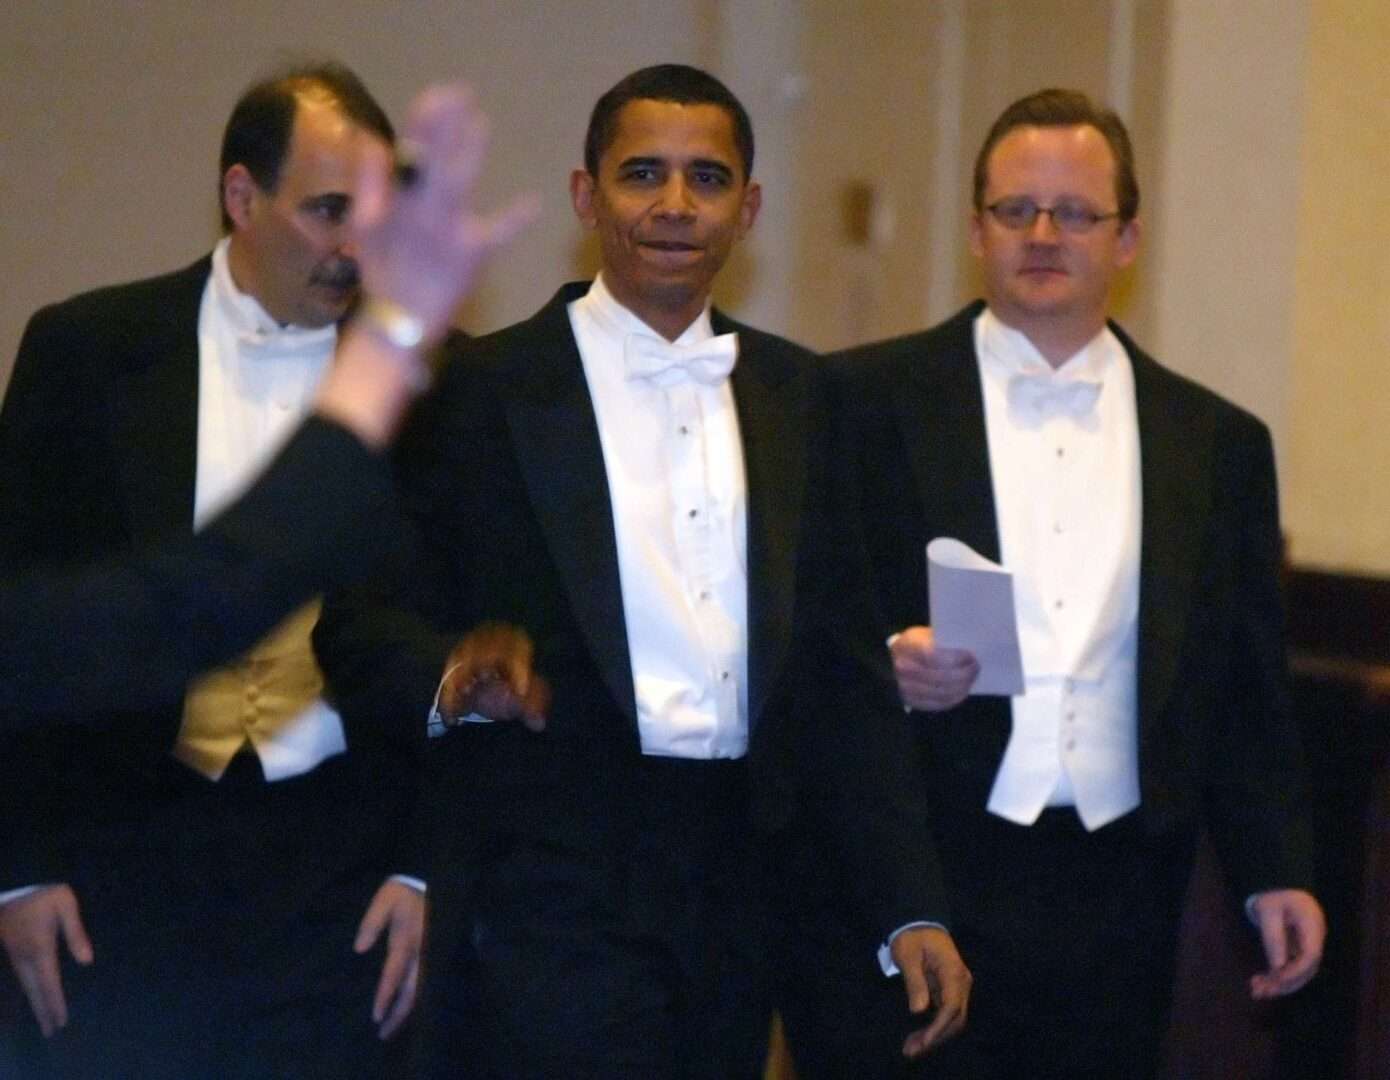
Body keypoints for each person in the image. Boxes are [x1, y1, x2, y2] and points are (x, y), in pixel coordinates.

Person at [315, 63, 970, 1078]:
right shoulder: (479, 391)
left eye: (706, 180)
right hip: (548, 878)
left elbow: (844, 675)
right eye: (642, 174)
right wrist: (453, 680)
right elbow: (355, 624)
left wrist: (907, 903)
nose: (673, 204)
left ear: (747, 209)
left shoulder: (806, 397)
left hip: (740, 878)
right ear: (587, 196)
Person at [0, 65, 527, 1079]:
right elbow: (33, 622)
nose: (352, 247)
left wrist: (428, 870)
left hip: (346, 865)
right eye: (328, 210)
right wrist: (18, 873)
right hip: (121, 859)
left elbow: (472, 635)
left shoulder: (443, 380)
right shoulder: (87, 352)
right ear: (242, 197)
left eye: (373, 217)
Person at [808, 87, 1325, 1079]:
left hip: (1121, 883)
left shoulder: (1215, 443)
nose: (1043, 234)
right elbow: (809, 630)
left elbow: (1245, 685)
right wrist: (890, 663)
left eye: (1076, 212)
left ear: (1126, 239)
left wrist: (1274, 874)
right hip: (918, 865)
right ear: (975, 229)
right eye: (1015, 211)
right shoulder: (863, 402)